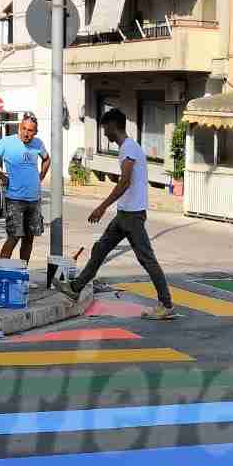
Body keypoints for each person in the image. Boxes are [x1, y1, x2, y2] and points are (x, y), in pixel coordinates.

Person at [60, 108, 175, 319]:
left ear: (114, 126)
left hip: (131, 216)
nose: (104, 134)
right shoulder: (128, 148)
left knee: (146, 259)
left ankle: (166, 303)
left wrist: (102, 206)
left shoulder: (128, 148)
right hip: (125, 214)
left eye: (105, 129)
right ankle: (76, 287)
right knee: (100, 248)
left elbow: (124, 181)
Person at [0, 114, 50, 264]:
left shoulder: (38, 143)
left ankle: (22, 273)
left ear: (35, 132)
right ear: (19, 128)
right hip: (15, 199)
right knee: (14, 236)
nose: (26, 133)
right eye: (24, 129)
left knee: (29, 238)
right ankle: (3, 272)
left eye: (30, 130)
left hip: (34, 198)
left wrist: (40, 177)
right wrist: (2, 177)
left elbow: (46, 159)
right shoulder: (7, 142)